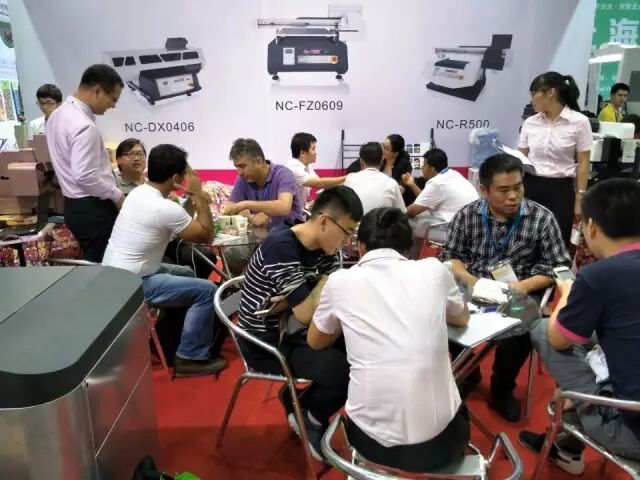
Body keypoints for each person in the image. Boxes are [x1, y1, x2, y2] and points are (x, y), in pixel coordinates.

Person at [308, 207, 470, 473]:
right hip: (443, 446)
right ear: (409, 248)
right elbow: (461, 318)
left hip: (371, 446)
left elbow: (315, 341)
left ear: (360, 247)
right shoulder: (434, 270)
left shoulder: (339, 281)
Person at [520, 178, 640, 474]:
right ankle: (568, 443)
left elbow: (558, 339)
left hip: (630, 432)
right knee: (597, 333)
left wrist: (567, 294)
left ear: (592, 226)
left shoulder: (599, 275)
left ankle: (579, 401)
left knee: (543, 330)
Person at [440, 153, 571, 422]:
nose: (513, 196)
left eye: (518, 187)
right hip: (474, 288)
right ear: (484, 190)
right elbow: (450, 256)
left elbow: (558, 266)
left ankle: (502, 388)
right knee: (443, 317)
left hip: (520, 293)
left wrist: (523, 286)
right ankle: (468, 372)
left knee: (519, 336)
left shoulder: (541, 218)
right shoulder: (467, 216)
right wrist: (469, 279)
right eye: (503, 190)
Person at [236, 186, 363, 460]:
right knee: (345, 372)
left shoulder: (325, 247)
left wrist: (316, 290)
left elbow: (328, 299)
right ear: (325, 221)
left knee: (364, 354)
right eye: (348, 231)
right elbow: (308, 311)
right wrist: (325, 282)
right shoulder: (281, 247)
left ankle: (300, 402)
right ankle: (310, 415)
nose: (348, 241)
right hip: (266, 341)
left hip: (296, 328)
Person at [102, 144, 226, 376]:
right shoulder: (162, 207)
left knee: (187, 273)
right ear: (175, 178)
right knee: (208, 291)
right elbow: (206, 235)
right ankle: (190, 357)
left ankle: (169, 334)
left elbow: (181, 222)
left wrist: (191, 198)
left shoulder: (139, 193)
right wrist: (200, 198)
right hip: (133, 284)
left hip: (115, 274)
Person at [47, 64, 125, 262]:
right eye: (113, 99)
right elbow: (85, 175)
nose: (113, 106)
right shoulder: (83, 125)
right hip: (93, 207)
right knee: (105, 267)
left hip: (73, 205)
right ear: (97, 90)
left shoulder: (57, 115)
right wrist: (116, 195)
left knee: (95, 263)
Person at [518, 71, 592, 246]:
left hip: (561, 190)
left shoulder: (579, 122)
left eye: (534, 93)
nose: (532, 99)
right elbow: (520, 158)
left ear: (550, 92)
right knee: (526, 239)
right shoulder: (530, 122)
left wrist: (580, 198)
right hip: (531, 185)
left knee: (557, 240)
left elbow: (583, 162)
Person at [223, 138, 304, 228]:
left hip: (292, 231)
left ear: (259, 162)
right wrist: (251, 217)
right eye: (237, 167)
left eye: (242, 166)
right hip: (262, 235)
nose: (240, 173)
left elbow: (284, 207)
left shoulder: (283, 174)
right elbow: (229, 209)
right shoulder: (244, 178)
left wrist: (246, 204)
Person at [402, 148, 479, 220]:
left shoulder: (436, 183)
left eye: (424, 165)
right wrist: (412, 184)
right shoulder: (452, 173)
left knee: (410, 221)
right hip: (473, 221)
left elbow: (411, 212)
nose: (422, 168)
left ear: (432, 169)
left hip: (457, 225)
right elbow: (426, 199)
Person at [344, 142, 406, 214]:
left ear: (361, 161)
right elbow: (402, 212)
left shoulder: (349, 180)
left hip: (356, 221)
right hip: (382, 221)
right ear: (382, 160)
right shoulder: (392, 183)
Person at [286, 132, 345, 206]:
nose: (316, 153)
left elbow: (320, 183)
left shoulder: (307, 166)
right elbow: (319, 183)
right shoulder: (293, 168)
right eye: (313, 149)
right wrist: (347, 177)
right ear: (303, 153)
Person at [382, 134, 414, 205]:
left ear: (395, 153)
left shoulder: (404, 164)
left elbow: (401, 188)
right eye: (383, 146)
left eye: (386, 149)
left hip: (396, 202)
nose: (383, 150)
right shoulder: (381, 160)